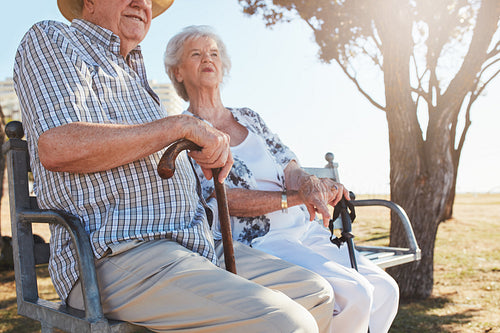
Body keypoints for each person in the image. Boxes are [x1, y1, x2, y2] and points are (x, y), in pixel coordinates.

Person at [13, 1, 336, 332]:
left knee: (318, 295)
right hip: (117, 253)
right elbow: (57, 146)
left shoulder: (135, 77)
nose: (142, 4)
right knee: (286, 324)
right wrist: (178, 127)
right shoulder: (53, 38)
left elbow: (160, 146)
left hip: (193, 244)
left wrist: (197, 152)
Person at [164, 25, 400, 333]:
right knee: (354, 295)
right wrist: (296, 198)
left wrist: (310, 185)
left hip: (302, 229)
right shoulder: (188, 129)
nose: (208, 59)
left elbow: (289, 165)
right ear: (178, 72)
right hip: (258, 243)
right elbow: (217, 196)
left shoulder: (249, 117)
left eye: (214, 53)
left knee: (384, 290)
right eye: (196, 54)